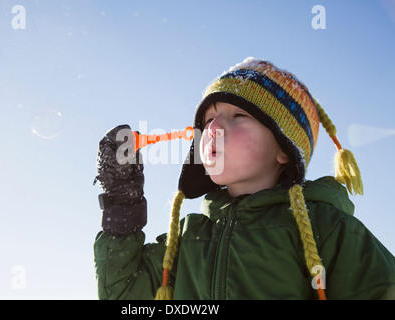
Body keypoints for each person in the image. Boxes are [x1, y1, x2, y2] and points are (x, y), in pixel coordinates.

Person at [93, 57, 395, 300]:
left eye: (239, 116)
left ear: (284, 149)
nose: (214, 128)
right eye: (209, 119)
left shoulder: (326, 227)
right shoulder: (188, 238)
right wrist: (123, 202)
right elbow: (122, 292)